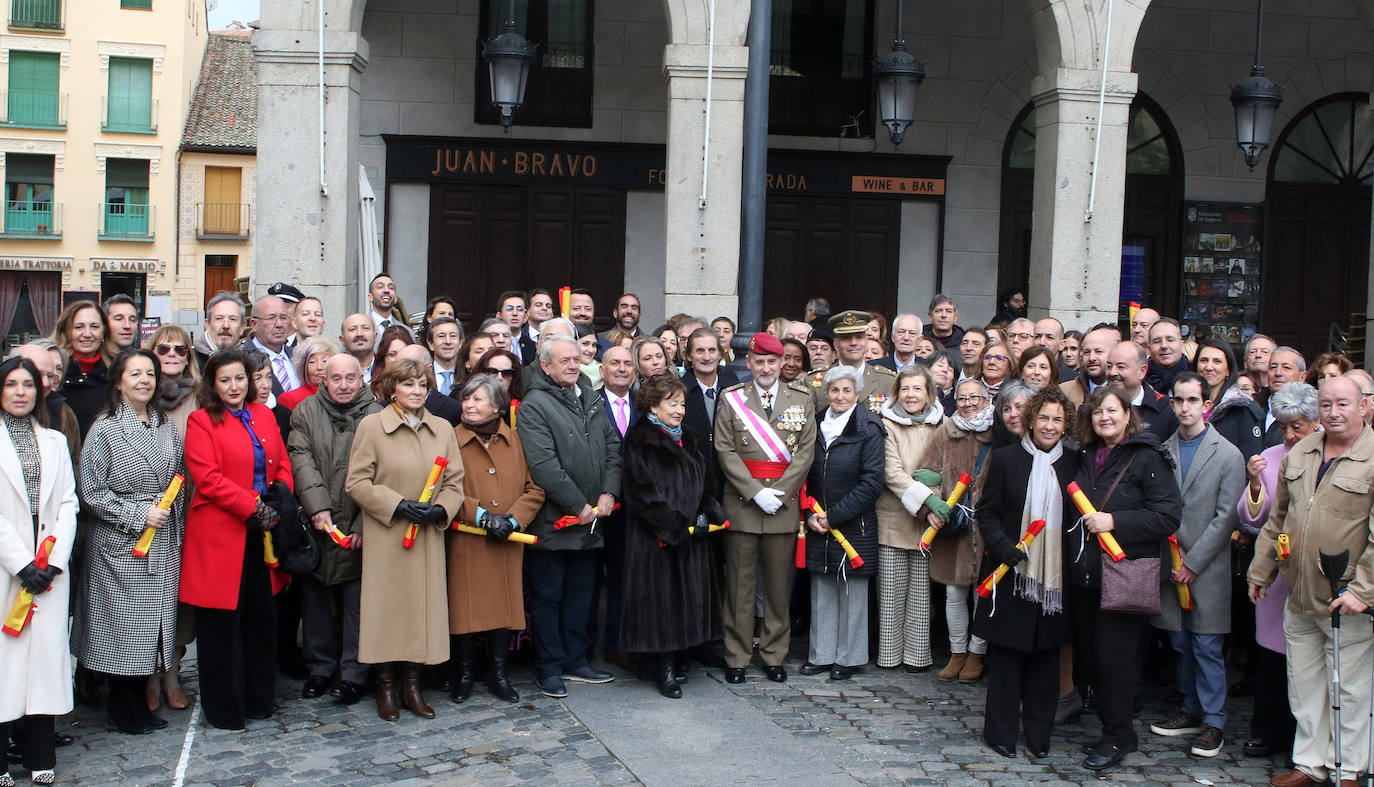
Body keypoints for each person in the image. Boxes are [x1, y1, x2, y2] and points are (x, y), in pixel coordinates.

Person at [1248, 376, 1374, 787]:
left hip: (1346, 598)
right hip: (1298, 592)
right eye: (1326, 404)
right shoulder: (1301, 452)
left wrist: (1363, 590)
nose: (1334, 412)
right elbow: (1278, 520)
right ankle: (1308, 763)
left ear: (1363, 407)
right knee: (1304, 685)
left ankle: (1349, 767)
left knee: (1350, 689)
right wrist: (1261, 569)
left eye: (1343, 404)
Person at [74, 350, 187, 735]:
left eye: (150, 374)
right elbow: (91, 492)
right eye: (135, 373)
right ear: (119, 380)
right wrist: (139, 515)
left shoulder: (165, 425)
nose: (144, 380)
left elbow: (178, 478)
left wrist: (171, 519)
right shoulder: (103, 428)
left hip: (163, 541)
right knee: (123, 631)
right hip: (121, 547)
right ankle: (122, 710)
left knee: (154, 629)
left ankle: (140, 703)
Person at [180, 349, 294, 730]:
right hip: (222, 534)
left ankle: (259, 699)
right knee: (221, 627)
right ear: (213, 383)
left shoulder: (263, 414)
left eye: (240, 378)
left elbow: (281, 463)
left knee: (261, 620)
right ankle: (225, 709)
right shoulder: (201, 420)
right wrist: (251, 506)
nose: (234, 386)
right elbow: (207, 477)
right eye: (225, 379)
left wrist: (280, 496)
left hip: (264, 531)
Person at [1069, 386, 1181, 771]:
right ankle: (1115, 730)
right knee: (1094, 658)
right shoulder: (1084, 454)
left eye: (1112, 410)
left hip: (1125, 572)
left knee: (1114, 660)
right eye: (1098, 411)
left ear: (1127, 414)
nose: (1105, 417)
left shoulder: (1147, 455)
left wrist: (1115, 521)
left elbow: (1168, 515)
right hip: (1087, 575)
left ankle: (1118, 737)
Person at [346, 357, 463, 721]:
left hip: (426, 534)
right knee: (386, 610)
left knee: (419, 609)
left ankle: (413, 685)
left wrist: (440, 509)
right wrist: (397, 505)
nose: (417, 391)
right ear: (392, 388)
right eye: (409, 384)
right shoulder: (372, 426)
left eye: (423, 385)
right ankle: (385, 686)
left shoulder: (442, 428)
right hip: (387, 533)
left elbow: (455, 482)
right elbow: (357, 482)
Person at [971, 387, 1078, 759]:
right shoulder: (1005, 459)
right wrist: (1004, 547)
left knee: (1046, 661)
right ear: (1030, 419)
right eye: (1043, 418)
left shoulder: (1075, 462)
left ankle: (1038, 735)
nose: (1049, 426)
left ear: (1066, 425)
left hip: (1054, 578)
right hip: (1010, 570)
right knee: (1006, 659)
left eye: (1057, 420)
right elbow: (987, 511)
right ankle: (999, 733)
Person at [519, 335, 622, 699]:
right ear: (545, 366)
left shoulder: (590, 396)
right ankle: (549, 666)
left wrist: (609, 492)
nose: (572, 365)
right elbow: (543, 465)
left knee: (582, 593)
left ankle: (576, 660)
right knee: (549, 596)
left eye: (576, 359)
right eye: (564, 360)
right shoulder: (534, 405)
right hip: (554, 523)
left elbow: (612, 446)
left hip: (591, 522)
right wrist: (578, 505)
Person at [1149, 372, 1245, 758]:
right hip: (1169, 564)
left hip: (1206, 568)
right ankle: (1189, 708)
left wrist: (1194, 562)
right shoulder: (1163, 450)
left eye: (1193, 400)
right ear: (1171, 404)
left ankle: (1214, 720)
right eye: (1179, 401)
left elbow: (1226, 517)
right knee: (1180, 640)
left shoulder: (1228, 454)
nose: (1185, 407)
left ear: (1206, 405)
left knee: (1207, 644)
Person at [616, 372, 726, 697]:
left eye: (681, 403)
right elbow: (641, 492)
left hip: (691, 535)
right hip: (656, 537)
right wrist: (673, 524)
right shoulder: (639, 438)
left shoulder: (689, 437)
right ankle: (663, 667)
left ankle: (681, 657)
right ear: (653, 405)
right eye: (672, 403)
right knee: (660, 602)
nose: (679, 410)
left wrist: (707, 512)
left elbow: (706, 482)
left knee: (687, 599)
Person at [715, 332, 816, 684]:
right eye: (759, 361)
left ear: (782, 363)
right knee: (739, 588)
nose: (766, 367)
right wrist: (755, 493)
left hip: (783, 506)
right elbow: (725, 451)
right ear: (750, 363)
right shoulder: (732, 399)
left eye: (773, 361)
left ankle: (774, 654)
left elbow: (806, 452)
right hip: (743, 504)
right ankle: (737, 656)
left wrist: (782, 492)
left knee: (777, 588)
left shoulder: (802, 399)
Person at [0, 357, 78, 786]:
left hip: (47, 567)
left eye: (27, 384)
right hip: (7, 568)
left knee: (44, 664)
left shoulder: (52, 440)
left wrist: (51, 562)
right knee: (4, 664)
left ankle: (39, 753)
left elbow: (68, 502)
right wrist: (21, 562)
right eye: (11, 384)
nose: (20, 392)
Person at [286, 354, 378, 706]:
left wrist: (361, 522)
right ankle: (320, 669)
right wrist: (318, 507)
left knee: (358, 604)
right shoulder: (306, 411)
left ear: (361, 379)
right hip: (318, 523)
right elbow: (301, 458)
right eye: (335, 378)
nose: (343, 385)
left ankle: (354, 674)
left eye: (350, 378)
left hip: (359, 521)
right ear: (324, 379)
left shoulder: (377, 413)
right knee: (316, 602)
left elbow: (380, 471)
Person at [449, 374, 544, 704]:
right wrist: (481, 516)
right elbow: (445, 489)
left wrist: (515, 519)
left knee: (503, 608)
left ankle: (498, 674)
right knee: (464, 609)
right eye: (466, 399)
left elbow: (535, 487)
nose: (469, 405)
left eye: (477, 399)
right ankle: (464, 675)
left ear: (497, 406)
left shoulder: (514, 440)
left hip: (507, 539)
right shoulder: (451, 439)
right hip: (468, 539)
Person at [1234, 381, 1315, 761]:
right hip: (1275, 572)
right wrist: (1253, 483)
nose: (1290, 434)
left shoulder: (1323, 456)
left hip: (1311, 574)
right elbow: (1253, 519)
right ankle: (1266, 731)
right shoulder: (1269, 456)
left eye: (1297, 426)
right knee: (1270, 657)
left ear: (1315, 423)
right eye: (1284, 426)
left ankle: (1302, 738)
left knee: (1306, 663)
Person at [800, 366, 884, 681]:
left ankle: (849, 658)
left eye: (847, 390)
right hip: (817, 519)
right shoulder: (815, 423)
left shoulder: (869, 428)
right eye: (834, 390)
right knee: (822, 588)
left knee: (852, 593)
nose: (840, 396)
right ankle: (821, 654)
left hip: (854, 524)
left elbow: (872, 482)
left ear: (857, 394)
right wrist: (811, 515)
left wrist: (833, 516)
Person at [916, 377, 996, 683]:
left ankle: (978, 653)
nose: (968, 403)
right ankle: (957, 651)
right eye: (962, 398)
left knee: (982, 593)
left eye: (975, 397)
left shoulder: (997, 434)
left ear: (987, 400)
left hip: (987, 526)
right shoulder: (944, 433)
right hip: (955, 525)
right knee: (953, 591)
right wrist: (932, 508)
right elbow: (925, 475)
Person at [876, 364, 944, 672]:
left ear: (929, 392)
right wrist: (927, 500)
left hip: (929, 523)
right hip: (894, 517)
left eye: (918, 388)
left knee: (920, 594)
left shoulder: (942, 424)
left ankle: (917, 656)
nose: (911, 394)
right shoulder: (886, 424)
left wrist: (938, 496)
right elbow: (892, 472)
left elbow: (949, 469)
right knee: (891, 593)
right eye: (905, 389)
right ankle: (889, 655)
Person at [807, 310, 897, 415]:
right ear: (836, 344)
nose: (853, 343)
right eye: (846, 338)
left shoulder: (887, 381)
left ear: (866, 342)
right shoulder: (814, 381)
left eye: (859, 337)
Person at [54, 300, 117, 438]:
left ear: (104, 331)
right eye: (78, 327)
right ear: (66, 331)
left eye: (94, 326)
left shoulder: (117, 371)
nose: (87, 334)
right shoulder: (54, 372)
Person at [1194, 338, 1265, 459]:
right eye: (1204, 360)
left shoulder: (1243, 408)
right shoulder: (1185, 405)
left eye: (1217, 361)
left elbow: (1250, 461)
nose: (1209, 367)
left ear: (1228, 370)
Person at [1104, 341, 1178, 442]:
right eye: (1109, 366)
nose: (1112, 372)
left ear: (1142, 371)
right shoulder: (1095, 406)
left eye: (1121, 367)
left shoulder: (1165, 408)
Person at [147, 326, 199, 437]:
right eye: (163, 349)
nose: (171, 354)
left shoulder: (202, 397)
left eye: (179, 349)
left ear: (188, 358)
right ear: (151, 355)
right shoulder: (141, 394)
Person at [244, 295, 298, 396]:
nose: (279, 324)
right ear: (254, 324)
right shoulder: (241, 359)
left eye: (283, 318)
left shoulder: (297, 356)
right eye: (271, 318)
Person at [277, 336, 339, 412]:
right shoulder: (290, 399)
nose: (319, 367)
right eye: (312, 362)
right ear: (303, 367)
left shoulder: (342, 394)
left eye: (325, 361)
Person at [1061, 325, 1118, 405]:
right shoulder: (1064, 392)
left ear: (1113, 354)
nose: (1091, 358)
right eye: (1087, 352)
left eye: (1098, 351)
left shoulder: (1125, 391)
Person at [195, 291, 246, 371]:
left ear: (242, 327)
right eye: (219, 318)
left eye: (232, 319)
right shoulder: (189, 361)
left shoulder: (251, 363)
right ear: (207, 325)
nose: (225, 325)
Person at [1145, 318, 1190, 395]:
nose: (1164, 346)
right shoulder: (1139, 379)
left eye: (1170, 340)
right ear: (1149, 349)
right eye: (1157, 341)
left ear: (1182, 345)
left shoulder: (1196, 376)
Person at [426, 317, 464, 396]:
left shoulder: (468, 376)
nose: (448, 341)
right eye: (441, 336)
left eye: (453, 336)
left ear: (460, 342)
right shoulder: (424, 375)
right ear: (430, 344)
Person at [339, 314, 378, 383]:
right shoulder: (333, 370)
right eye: (352, 329)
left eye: (365, 328)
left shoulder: (388, 369)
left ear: (375, 337)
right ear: (342, 340)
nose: (359, 334)